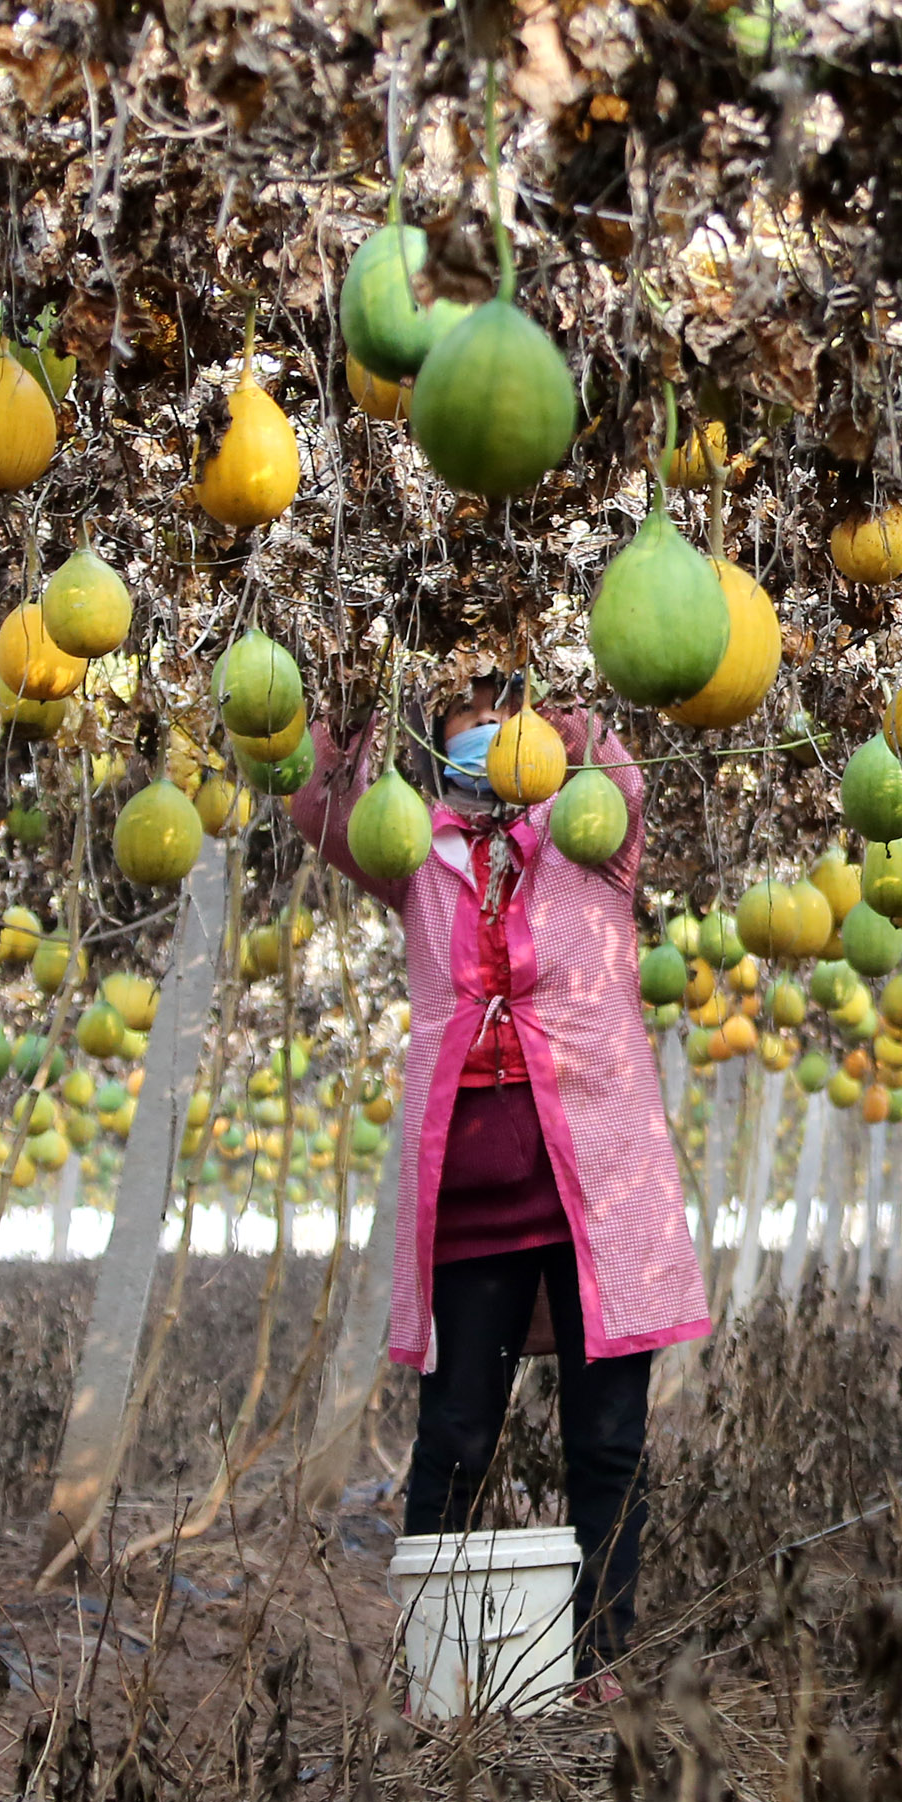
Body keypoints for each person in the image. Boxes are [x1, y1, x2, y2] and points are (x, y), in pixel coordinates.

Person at [291, 674, 704, 1696]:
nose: (488, 735)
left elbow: (623, 779)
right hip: (472, 1208)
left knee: (604, 1440)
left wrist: (565, 716)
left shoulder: (592, 844)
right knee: (457, 1434)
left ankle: (599, 1659)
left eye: (501, 712)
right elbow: (322, 813)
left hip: (598, 1195)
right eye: (466, 721)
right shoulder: (416, 856)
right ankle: (437, 1658)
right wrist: (347, 721)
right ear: (436, 748)